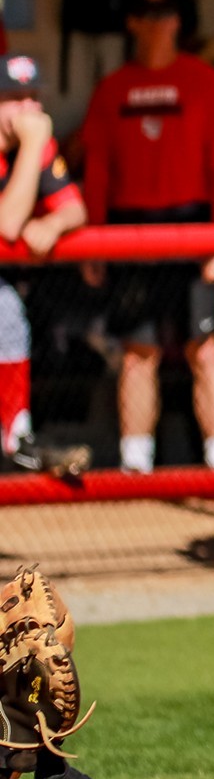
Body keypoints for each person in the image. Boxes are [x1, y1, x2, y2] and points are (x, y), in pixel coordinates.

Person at [80, 0, 214, 473]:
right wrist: (94, 241)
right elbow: (97, 170)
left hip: (194, 223)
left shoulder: (208, 83)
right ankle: (135, 462)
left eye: (165, 13)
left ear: (178, 20)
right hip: (131, 228)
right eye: (146, 14)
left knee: (205, 348)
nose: (156, 23)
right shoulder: (111, 89)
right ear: (132, 23)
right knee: (137, 350)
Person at [0, 55, 91, 475]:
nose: (29, 110)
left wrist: (53, 223)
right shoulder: (33, 143)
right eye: (14, 98)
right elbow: (8, 223)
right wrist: (34, 143)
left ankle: (16, 436)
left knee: (9, 314)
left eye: (33, 97)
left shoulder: (34, 146)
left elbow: (75, 209)